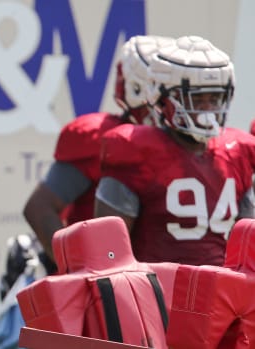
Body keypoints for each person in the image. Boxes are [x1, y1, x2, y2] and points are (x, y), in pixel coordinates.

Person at [95, 35, 255, 266]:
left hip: (220, 295)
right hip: (155, 295)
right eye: (198, 99)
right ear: (162, 98)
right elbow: (108, 253)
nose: (207, 109)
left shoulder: (237, 151)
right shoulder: (136, 149)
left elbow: (248, 245)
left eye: (215, 98)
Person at [22, 35, 173, 267]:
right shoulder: (100, 138)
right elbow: (39, 208)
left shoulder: (202, 150)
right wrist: (79, 269)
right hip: (112, 283)